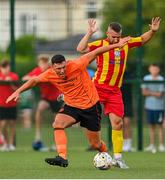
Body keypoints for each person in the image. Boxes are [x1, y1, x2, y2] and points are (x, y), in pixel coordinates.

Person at [6, 37, 129, 167]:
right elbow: (34, 81)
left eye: (64, 67)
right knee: (58, 124)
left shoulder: (77, 64)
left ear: (66, 63)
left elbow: (97, 52)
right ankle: (62, 157)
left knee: (95, 144)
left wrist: (117, 46)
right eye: (58, 69)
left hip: (91, 107)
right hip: (72, 107)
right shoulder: (49, 74)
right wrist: (18, 91)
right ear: (52, 67)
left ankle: (106, 155)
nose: (62, 71)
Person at [77, 17, 161, 168]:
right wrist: (89, 33)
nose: (116, 40)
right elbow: (80, 49)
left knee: (118, 123)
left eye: (118, 37)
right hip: (98, 87)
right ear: (107, 33)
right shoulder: (100, 44)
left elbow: (142, 39)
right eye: (113, 37)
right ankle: (71, 97)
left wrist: (153, 31)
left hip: (115, 91)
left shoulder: (125, 43)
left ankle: (118, 158)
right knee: (87, 117)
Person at [22, 54, 63, 150]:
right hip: (46, 98)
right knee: (39, 109)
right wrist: (32, 78)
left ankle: (56, 143)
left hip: (56, 98)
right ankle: (38, 136)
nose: (43, 64)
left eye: (45, 62)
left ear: (48, 63)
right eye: (41, 62)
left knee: (57, 122)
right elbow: (24, 78)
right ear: (38, 63)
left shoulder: (52, 70)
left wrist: (37, 78)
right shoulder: (37, 70)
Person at [141, 63, 165, 153]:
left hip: (159, 107)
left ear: (158, 69)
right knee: (151, 126)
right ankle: (152, 145)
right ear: (150, 69)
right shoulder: (146, 78)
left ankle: (161, 145)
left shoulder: (161, 79)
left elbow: (160, 94)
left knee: (160, 126)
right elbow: (144, 92)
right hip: (149, 106)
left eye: (156, 69)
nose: (154, 70)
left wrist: (149, 92)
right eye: (153, 69)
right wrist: (154, 93)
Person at [0, 60, 19, 151]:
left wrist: (10, 82)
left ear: (9, 67)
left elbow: (17, 89)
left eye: (6, 67)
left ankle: (11, 144)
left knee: (12, 124)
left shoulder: (14, 76)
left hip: (12, 104)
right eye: (3, 67)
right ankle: (6, 143)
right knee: (3, 124)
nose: (5, 69)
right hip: (1, 104)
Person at [121, 71, 135, 152]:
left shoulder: (129, 74)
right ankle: (122, 144)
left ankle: (128, 144)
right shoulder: (115, 73)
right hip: (118, 101)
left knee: (127, 123)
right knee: (120, 124)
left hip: (127, 102)